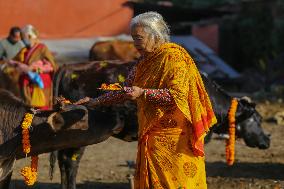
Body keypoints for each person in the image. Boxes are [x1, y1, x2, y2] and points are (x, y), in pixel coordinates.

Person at [76, 12, 217, 189]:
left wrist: (144, 93)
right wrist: (95, 101)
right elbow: (126, 91)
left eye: (138, 38)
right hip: (150, 139)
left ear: (155, 35)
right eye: (133, 38)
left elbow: (177, 97)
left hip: (175, 142)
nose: (135, 44)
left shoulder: (174, 58)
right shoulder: (143, 62)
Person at [8, 24, 57, 110]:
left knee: (41, 109)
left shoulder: (42, 48)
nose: (22, 40)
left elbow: (51, 65)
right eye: (22, 38)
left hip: (39, 83)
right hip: (26, 85)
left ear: (31, 36)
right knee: (28, 109)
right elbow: (14, 61)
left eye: (24, 38)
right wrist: (16, 64)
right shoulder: (24, 50)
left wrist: (34, 68)